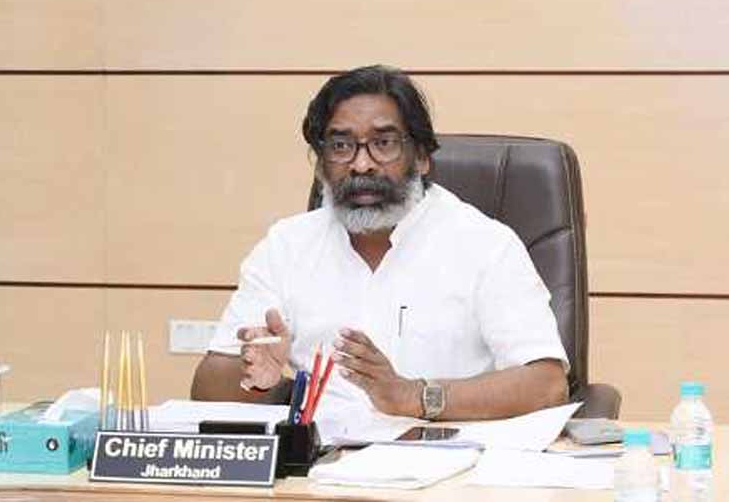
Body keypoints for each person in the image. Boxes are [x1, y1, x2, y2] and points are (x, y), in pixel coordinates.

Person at [192, 65, 568, 421]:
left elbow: (547, 385)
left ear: (421, 157)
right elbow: (208, 388)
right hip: (321, 459)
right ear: (321, 164)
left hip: (445, 452)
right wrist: (260, 380)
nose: (362, 165)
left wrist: (413, 397)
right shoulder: (286, 246)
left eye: (384, 143)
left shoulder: (485, 245)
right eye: (341, 146)